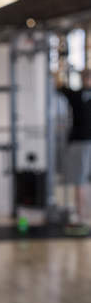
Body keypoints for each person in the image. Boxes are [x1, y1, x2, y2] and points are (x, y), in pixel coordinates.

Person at [59, 68, 91, 225]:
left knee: (80, 180)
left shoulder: (78, 96)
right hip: (81, 142)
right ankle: (82, 214)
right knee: (81, 180)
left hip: (81, 142)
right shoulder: (77, 96)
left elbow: (60, 87)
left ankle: (82, 215)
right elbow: (61, 88)